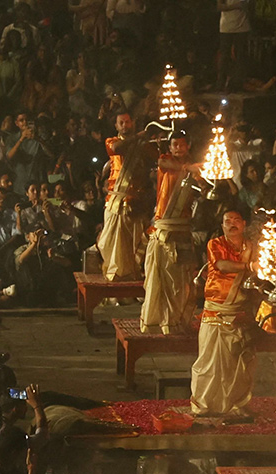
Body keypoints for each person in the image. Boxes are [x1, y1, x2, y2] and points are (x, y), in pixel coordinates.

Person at [191, 208, 257, 418]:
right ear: (222, 226)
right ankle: (203, 404)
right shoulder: (216, 244)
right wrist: (249, 266)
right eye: (227, 221)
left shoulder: (253, 247)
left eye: (236, 220)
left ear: (244, 224)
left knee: (239, 363)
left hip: (241, 311)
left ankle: (236, 403)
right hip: (217, 309)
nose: (232, 224)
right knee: (209, 361)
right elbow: (221, 265)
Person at [140, 131, 203, 334]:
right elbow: (165, 164)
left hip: (183, 228)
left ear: (188, 147)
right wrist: (188, 168)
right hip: (164, 226)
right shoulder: (166, 161)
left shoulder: (195, 166)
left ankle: (178, 320)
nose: (178, 149)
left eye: (182, 145)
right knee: (162, 276)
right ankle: (162, 321)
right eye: (175, 145)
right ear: (170, 148)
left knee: (182, 279)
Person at [97, 112, 153, 282]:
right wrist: (137, 137)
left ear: (133, 123)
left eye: (128, 122)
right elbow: (116, 149)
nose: (125, 125)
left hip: (136, 201)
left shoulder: (143, 145)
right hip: (116, 200)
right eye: (121, 123)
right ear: (116, 126)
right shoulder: (112, 141)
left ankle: (134, 276)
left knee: (134, 243)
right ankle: (116, 276)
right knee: (109, 242)